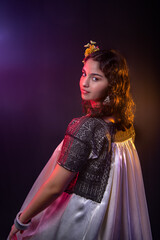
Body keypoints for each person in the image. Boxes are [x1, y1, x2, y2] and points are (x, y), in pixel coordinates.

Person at [8, 41, 152, 240]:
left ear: (112, 85)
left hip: (80, 219)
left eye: (95, 78)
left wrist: (22, 220)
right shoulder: (125, 126)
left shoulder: (87, 127)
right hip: (109, 222)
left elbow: (54, 187)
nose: (85, 83)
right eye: (84, 73)